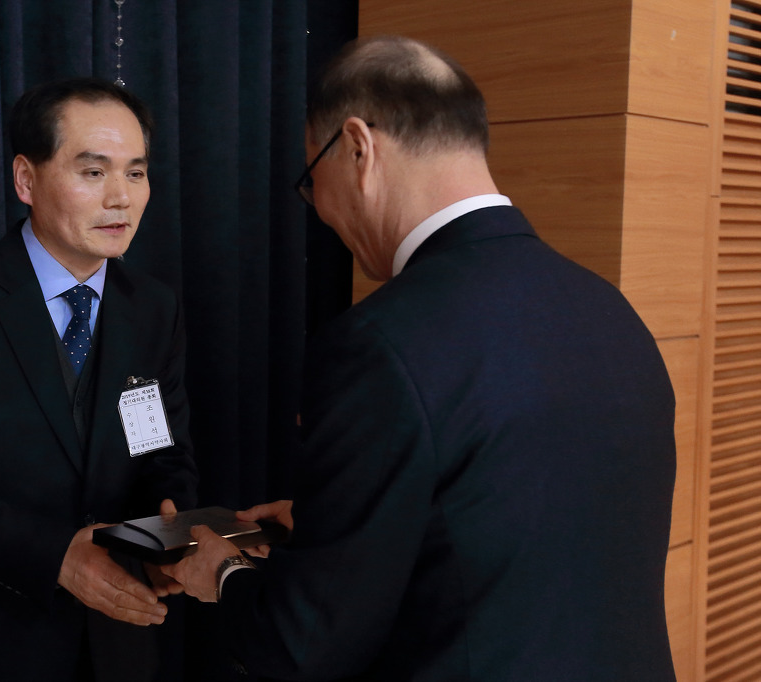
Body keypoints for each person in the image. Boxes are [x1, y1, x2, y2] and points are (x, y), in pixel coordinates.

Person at [162, 35, 677, 681]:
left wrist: (223, 572)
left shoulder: (377, 344)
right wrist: (347, 527)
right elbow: (535, 529)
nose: (321, 211)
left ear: (358, 148)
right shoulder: (611, 311)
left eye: (311, 181)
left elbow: (302, 642)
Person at [0, 77, 198, 682]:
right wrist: (58, 556)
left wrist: (172, 532)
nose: (121, 198)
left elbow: (161, 448)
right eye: (93, 172)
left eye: (136, 173)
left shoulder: (154, 308)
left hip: (118, 632)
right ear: (26, 179)